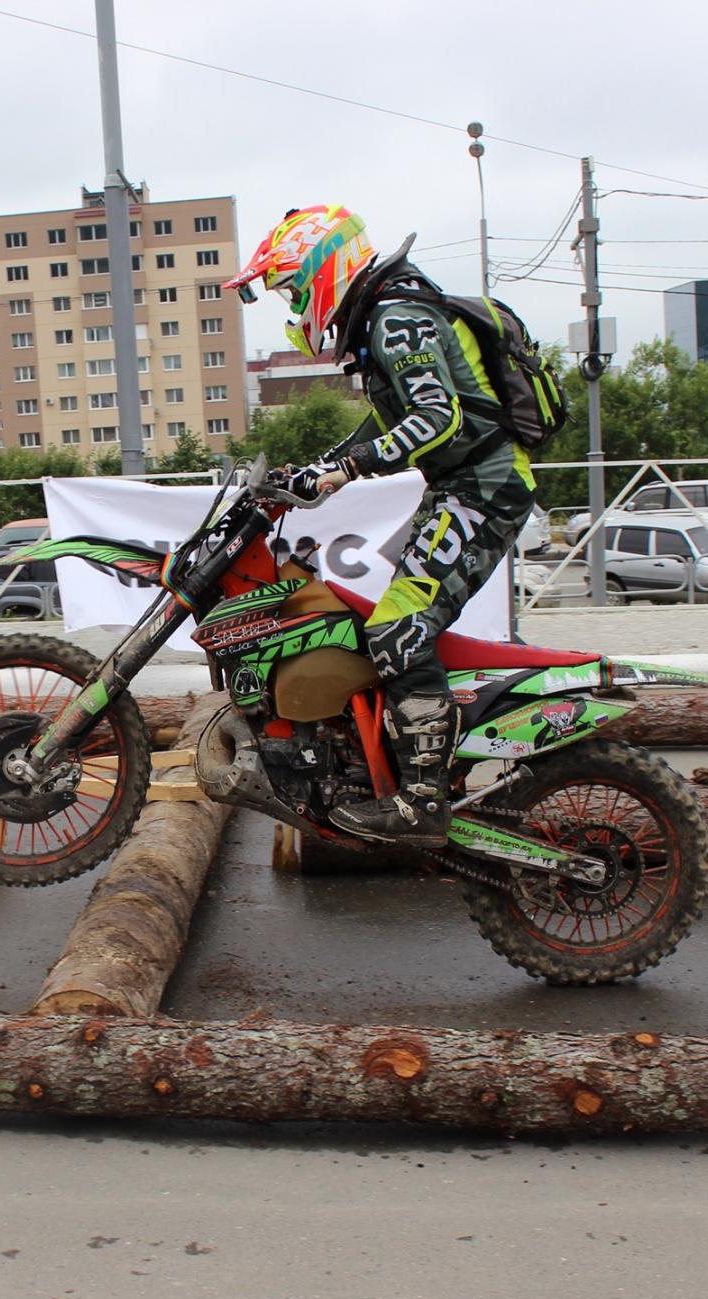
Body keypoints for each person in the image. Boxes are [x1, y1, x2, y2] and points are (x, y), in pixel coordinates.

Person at [227, 205, 534, 845]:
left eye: (291, 288)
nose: (291, 306)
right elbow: (387, 424)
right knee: (386, 620)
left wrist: (345, 472)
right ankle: (387, 761)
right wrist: (320, 467)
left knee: (399, 627)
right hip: (463, 487)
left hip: (484, 488)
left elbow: (436, 418)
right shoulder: (383, 318)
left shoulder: (398, 320)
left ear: (323, 270)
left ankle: (423, 803)